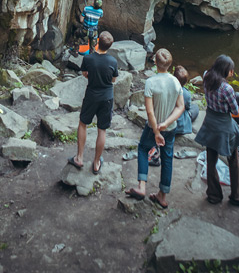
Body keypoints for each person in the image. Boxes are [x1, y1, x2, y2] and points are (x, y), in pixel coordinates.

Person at [125, 48, 184, 208]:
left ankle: (141, 187)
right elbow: (180, 107)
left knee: (143, 149)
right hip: (170, 128)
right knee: (167, 158)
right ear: (170, 65)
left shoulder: (151, 82)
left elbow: (150, 111)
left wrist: (157, 131)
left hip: (153, 127)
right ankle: (162, 196)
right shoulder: (175, 82)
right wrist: (166, 123)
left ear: (155, 63)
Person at [194, 55, 239, 206]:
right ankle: (236, 196)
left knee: (211, 160)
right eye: (231, 70)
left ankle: (214, 195)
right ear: (225, 70)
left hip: (210, 122)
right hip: (224, 125)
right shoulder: (227, 89)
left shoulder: (206, 76)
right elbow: (235, 111)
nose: (232, 73)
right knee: (233, 161)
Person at [67, 31, 118, 174]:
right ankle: (96, 163)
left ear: (96, 42)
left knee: (83, 123)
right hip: (107, 98)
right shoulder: (113, 62)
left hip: (91, 96)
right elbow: (113, 80)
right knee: (102, 130)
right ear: (110, 46)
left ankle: (79, 157)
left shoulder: (88, 58)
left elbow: (85, 74)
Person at [174, 65, 200, 135]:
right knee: (195, 107)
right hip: (179, 124)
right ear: (185, 82)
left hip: (168, 118)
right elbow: (188, 107)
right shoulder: (185, 93)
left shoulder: (168, 88)